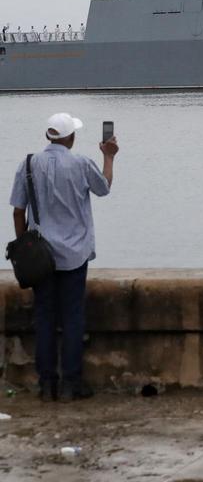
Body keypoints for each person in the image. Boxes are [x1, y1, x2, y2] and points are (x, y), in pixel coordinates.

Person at [9, 113, 117, 402]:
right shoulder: (80, 163)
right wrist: (109, 157)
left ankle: (46, 384)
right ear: (71, 138)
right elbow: (104, 188)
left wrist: (23, 245)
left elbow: (18, 211)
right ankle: (72, 383)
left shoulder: (28, 164)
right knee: (72, 318)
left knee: (43, 317)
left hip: (40, 256)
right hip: (74, 253)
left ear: (49, 136)